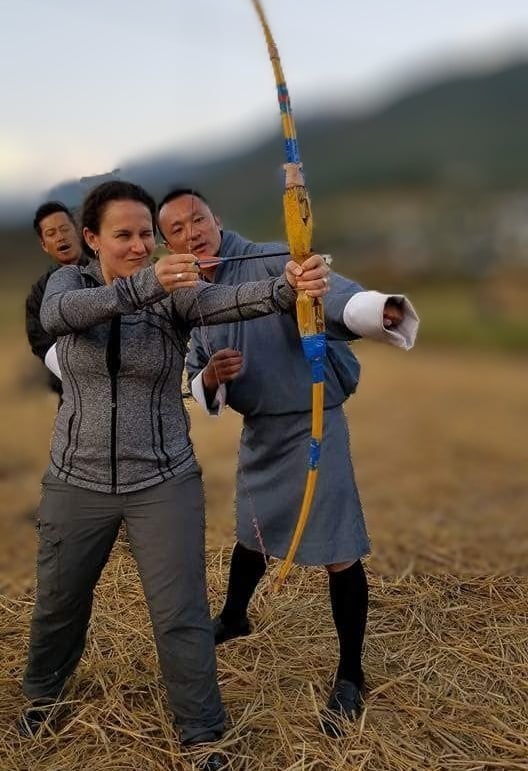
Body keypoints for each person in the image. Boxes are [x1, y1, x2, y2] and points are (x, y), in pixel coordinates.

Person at [19, 180, 329, 771]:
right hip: (75, 479)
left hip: (163, 479)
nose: (141, 247)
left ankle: (204, 734)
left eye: (146, 236)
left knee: (181, 612)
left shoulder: (174, 293)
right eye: (125, 236)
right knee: (59, 602)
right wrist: (142, 285)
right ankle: (41, 697)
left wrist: (287, 287)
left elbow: (230, 301)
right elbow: (60, 317)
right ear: (92, 240)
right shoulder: (69, 284)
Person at [157, 188, 419, 737]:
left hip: (313, 422)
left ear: (216, 219)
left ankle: (350, 673)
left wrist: (377, 310)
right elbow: (195, 371)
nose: (191, 233)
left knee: (339, 550)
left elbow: (332, 293)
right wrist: (211, 377)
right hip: (261, 430)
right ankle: (234, 616)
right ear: (167, 243)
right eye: (176, 229)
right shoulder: (187, 292)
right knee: (251, 533)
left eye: (197, 220)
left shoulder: (273, 258)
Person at [25, 201, 88, 398]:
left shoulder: (107, 271)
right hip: (72, 391)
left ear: (77, 231)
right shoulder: (39, 293)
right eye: (51, 233)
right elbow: (41, 342)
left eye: (64, 229)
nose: (60, 237)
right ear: (44, 245)